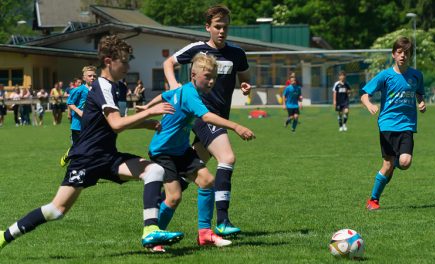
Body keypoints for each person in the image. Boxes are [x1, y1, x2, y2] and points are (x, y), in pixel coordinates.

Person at [0, 35, 184, 253]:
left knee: (153, 170)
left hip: (108, 156)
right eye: (124, 61)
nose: (128, 66)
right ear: (108, 61)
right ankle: (4, 235)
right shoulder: (101, 86)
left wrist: (144, 124)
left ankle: (150, 230)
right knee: (56, 210)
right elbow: (116, 124)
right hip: (86, 158)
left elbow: (116, 123)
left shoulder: (119, 88)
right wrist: (150, 113)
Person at [143, 54, 254, 252]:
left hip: (181, 150)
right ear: (193, 74)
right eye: (207, 76)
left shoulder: (183, 89)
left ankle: (205, 234)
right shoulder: (191, 94)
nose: (211, 81)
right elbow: (207, 117)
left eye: (214, 77)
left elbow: (165, 95)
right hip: (163, 151)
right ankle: (153, 238)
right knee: (174, 197)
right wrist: (236, 126)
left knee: (207, 181)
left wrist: (148, 105)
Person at [162, 4, 251, 236]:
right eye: (217, 27)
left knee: (191, 170)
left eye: (225, 27)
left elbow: (244, 75)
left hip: (220, 117)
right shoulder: (198, 50)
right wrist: (174, 87)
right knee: (227, 158)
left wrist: (245, 85)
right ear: (208, 28)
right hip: (204, 115)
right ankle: (222, 219)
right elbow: (168, 63)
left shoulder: (237, 54)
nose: (222, 31)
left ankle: (160, 206)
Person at [361, 36, 426, 211]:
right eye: (399, 52)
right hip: (387, 124)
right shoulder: (385, 75)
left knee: (405, 163)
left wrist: (420, 102)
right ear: (393, 55)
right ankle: (373, 200)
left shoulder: (416, 75)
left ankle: (394, 164)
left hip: (407, 125)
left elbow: (419, 92)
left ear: (410, 55)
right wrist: (369, 104)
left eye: (406, 52)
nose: (403, 55)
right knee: (388, 165)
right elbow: (365, 94)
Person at [60, 66, 97, 167]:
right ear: (84, 78)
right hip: (78, 124)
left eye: (94, 76)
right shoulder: (79, 90)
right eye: (90, 76)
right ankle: (69, 155)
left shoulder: (97, 90)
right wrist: (80, 112)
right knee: (79, 149)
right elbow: (70, 103)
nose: (92, 78)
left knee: (90, 148)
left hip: (91, 124)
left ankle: (86, 172)